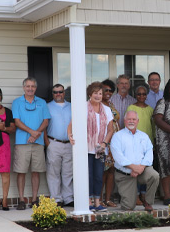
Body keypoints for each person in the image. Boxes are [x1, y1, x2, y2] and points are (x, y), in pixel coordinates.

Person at [12, 77, 51, 210]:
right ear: (24, 87)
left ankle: (34, 199)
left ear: (35, 88)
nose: (30, 89)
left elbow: (46, 121)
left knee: (36, 171)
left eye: (32, 86)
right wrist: (31, 132)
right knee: (21, 171)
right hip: (22, 142)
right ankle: (22, 200)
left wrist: (36, 134)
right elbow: (16, 121)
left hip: (38, 142)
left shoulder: (42, 102)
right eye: (27, 86)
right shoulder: (17, 102)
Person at [110, 110, 159, 211]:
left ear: (138, 121)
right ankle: (128, 200)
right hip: (125, 174)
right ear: (124, 120)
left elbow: (149, 153)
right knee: (128, 207)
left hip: (142, 170)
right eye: (129, 119)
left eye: (133, 119)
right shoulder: (117, 136)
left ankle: (148, 202)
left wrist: (140, 168)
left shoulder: (144, 136)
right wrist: (133, 167)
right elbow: (118, 157)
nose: (131, 121)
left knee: (154, 175)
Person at [80, 81, 115, 211]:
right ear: (90, 94)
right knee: (88, 175)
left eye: (100, 93)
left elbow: (110, 129)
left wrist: (104, 143)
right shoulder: (83, 107)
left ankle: (97, 203)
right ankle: (88, 202)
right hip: (86, 147)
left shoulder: (106, 109)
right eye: (95, 93)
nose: (98, 95)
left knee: (98, 175)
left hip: (100, 148)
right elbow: (75, 125)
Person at [44, 84, 73, 207]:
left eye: (60, 92)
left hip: (69, 143)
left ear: (64, 93)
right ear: (52, 94)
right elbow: (44, 126)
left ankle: (68, 198)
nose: (58, 94)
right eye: (55, 92)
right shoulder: (47, 107)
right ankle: (56, 198)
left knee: (68, 172)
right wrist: (47, 144)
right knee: (53, 172)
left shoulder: (71, 106)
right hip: (53, 142)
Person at [127, 84, 155, 201]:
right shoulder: (131, 108)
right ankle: (136, 194)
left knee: (146, 169)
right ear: (135, 95)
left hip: (147, 144)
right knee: (136, 169)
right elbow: (128, 125)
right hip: (134, 143)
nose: (141, 96)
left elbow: (152, 127)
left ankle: (144, 193)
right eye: (139, 94)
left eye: (144, 94)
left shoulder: (150, 109)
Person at [100, 79, 120, 207]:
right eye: (105, 90)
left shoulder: (111, 104)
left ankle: (108, 199)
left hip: (114, 142)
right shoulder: (98, 105)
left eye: (110, 90)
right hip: (104, 141)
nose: (108, 92)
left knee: (112, 170)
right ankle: (99, 199)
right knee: (102, 171)